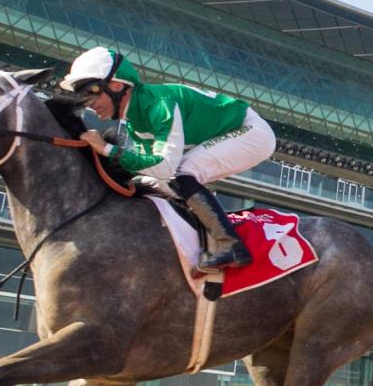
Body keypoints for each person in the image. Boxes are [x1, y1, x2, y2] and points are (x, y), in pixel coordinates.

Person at [59, 47, 276, 270]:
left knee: (181, 174)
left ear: (116, 85)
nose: (88, 102)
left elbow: (163, 166)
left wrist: (107, 150)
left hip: (250, 132)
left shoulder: (159, 104)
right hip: (225, 134)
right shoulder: (133, 121)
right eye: (82, 95)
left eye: (91, 91)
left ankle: (231, 245)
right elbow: (149, 170)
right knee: (158, 183)